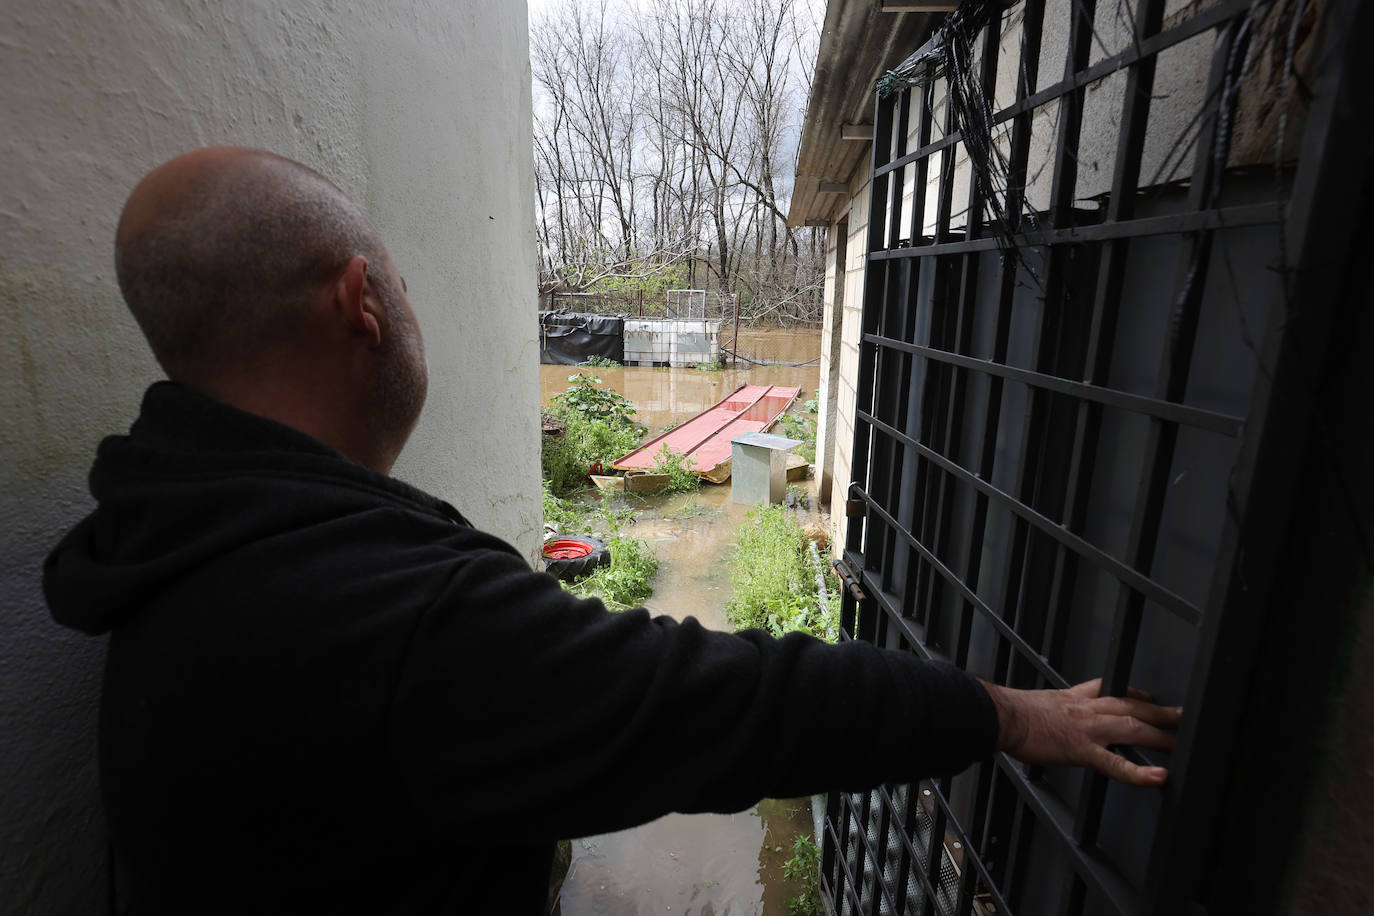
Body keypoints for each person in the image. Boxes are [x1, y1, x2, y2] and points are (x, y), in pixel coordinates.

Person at [44, 148, 1181, 914]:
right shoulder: (387, 616)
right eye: (403, 282)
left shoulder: (169, 543)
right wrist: (1002, 710)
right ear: (364, 303)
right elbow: (729, 704)